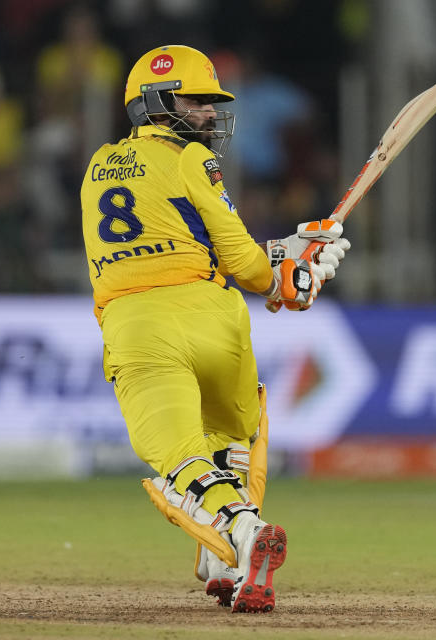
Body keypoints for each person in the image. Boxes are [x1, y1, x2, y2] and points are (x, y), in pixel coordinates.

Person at [80, 45, 350, 613]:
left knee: (181, 460)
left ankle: (244, 535)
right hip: (215, 317)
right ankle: (222, 559)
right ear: (155, 102)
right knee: (231, 441)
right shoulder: (191, 161)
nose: (208, 112)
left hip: (138, 322)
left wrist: (283, 254)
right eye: (196, 100)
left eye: (211, 101)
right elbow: (242, 263)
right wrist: (286, 277)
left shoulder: (98, 166)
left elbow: (168, 246)